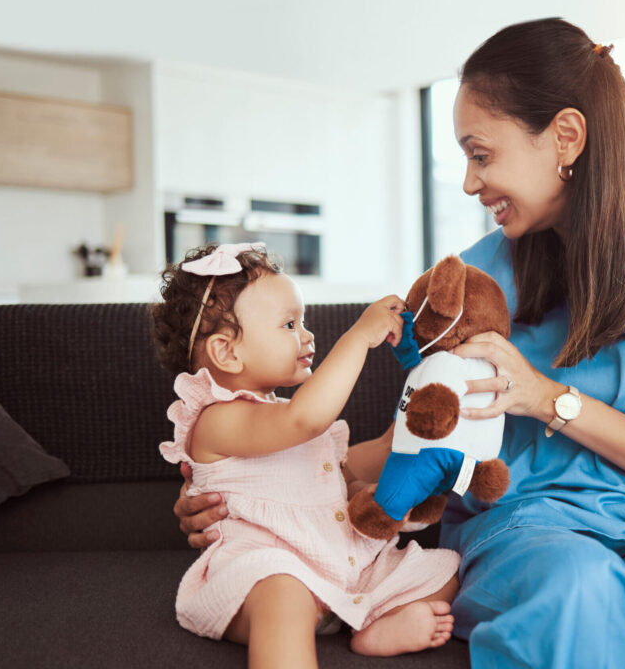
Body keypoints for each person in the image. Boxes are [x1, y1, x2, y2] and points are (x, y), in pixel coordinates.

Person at [176, 18, 625, 668]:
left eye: (480, 154)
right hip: (530, 528)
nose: (468, 183)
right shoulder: (469, 284)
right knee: (580, 596)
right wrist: (245, 491)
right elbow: (418, 440)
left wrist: (547, 400)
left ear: (566, 137)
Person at [151, 242, 459, 667]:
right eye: (289, 324)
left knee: (446, 571)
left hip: (343, 565)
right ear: (227, 352)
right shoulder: (216, 420)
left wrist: (397, 439)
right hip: (265, 573)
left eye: (304, 321)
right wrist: (358, 337)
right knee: (283, 594)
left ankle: (373, 629)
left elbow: (342, 465)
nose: (308, 335)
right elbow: (307, 419)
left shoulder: (283, 414)